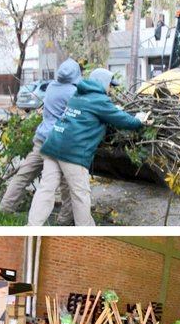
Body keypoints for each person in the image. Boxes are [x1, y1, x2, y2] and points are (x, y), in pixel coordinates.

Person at [26, 68, 146, 227]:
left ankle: (32, 227)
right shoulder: (100, 100)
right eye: (110, 85)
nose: (111, 90)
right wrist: (139, 120)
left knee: (46, 190)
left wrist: (113, 110)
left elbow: (91, 113)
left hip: (53, 146)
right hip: (72, 153)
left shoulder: (77, 95)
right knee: (80, 194)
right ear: (103, 83)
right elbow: (125, 121)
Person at [0, 59, 81, 222]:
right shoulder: (73, 93)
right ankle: (64, 220)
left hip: (42, 140)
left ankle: (5, 209)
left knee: (24, 174)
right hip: (59, 143)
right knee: (66, 182)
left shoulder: (51, 87)